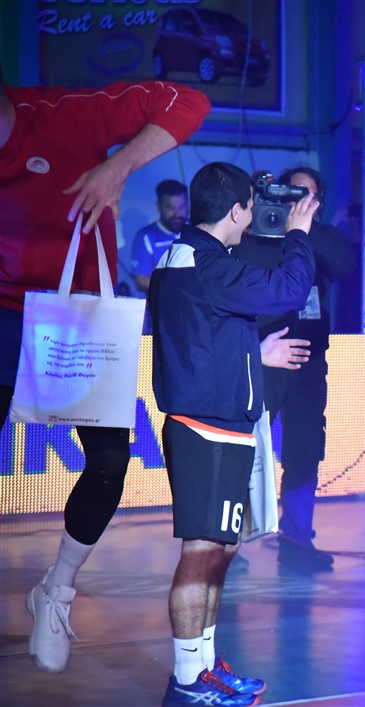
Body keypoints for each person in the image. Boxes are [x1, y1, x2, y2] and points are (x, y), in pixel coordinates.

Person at [0, 75, 210, 674]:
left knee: (110, 462)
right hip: (2, 313)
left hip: (79, 315)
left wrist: (117, 168)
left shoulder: (63, 112)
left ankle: (56, 590)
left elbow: (189, 102)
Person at [149, 162, 318, 706]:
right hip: (207, 428)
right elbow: (288, 289)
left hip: (216, 422)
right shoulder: (208, 264)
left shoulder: (188, 257)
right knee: (203, 552)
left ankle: (202, 667)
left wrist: (254, 351)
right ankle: (186, 680)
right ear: (239, 211)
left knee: (221, 548)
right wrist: (297, 234)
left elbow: (205, 335)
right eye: (250, 205)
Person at [233, 167, 355, 571]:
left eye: (307, 194)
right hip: (265, 357)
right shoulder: (258, 231)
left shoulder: (324, 238)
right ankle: (228, 544)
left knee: (305, 448)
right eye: (291, 191)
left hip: (309, 362)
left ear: (319, 201)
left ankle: (297, 539)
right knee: (245, 447)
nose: (297, 200)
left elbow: (346, 266)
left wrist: (303, 232)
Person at [131, 179, 189, 293]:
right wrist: (178, 289)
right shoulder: (146, 237)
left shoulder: (197, 229)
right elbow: (141, 280)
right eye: (171, 208)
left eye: (182, 207)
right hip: (164, 302)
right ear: (159, 206)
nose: (177, 214)